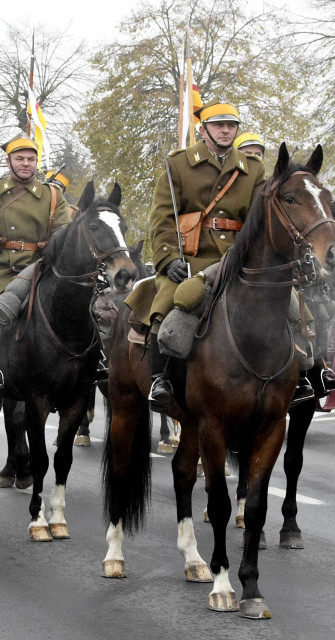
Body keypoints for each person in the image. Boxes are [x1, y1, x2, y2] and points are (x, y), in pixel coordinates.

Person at [123, 102, 266, 412]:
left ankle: (305, 375)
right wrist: (168, 258)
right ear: (204, 130)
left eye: (231, 125)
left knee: (293, 306)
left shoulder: (253, 168)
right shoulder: (179, 164)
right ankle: (161, 380)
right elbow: (161, 219)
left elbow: (260, 220)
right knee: (170, 303)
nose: (226, 130)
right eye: (219, 125)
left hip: (236, 260)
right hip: (190, 258)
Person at [0, 136, 71, 388]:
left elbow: (63, 233)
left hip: (39, 267)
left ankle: (81, 362)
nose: (26, 164)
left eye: (31, 159)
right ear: (8, 161)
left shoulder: (52, 195)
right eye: (20, 158)